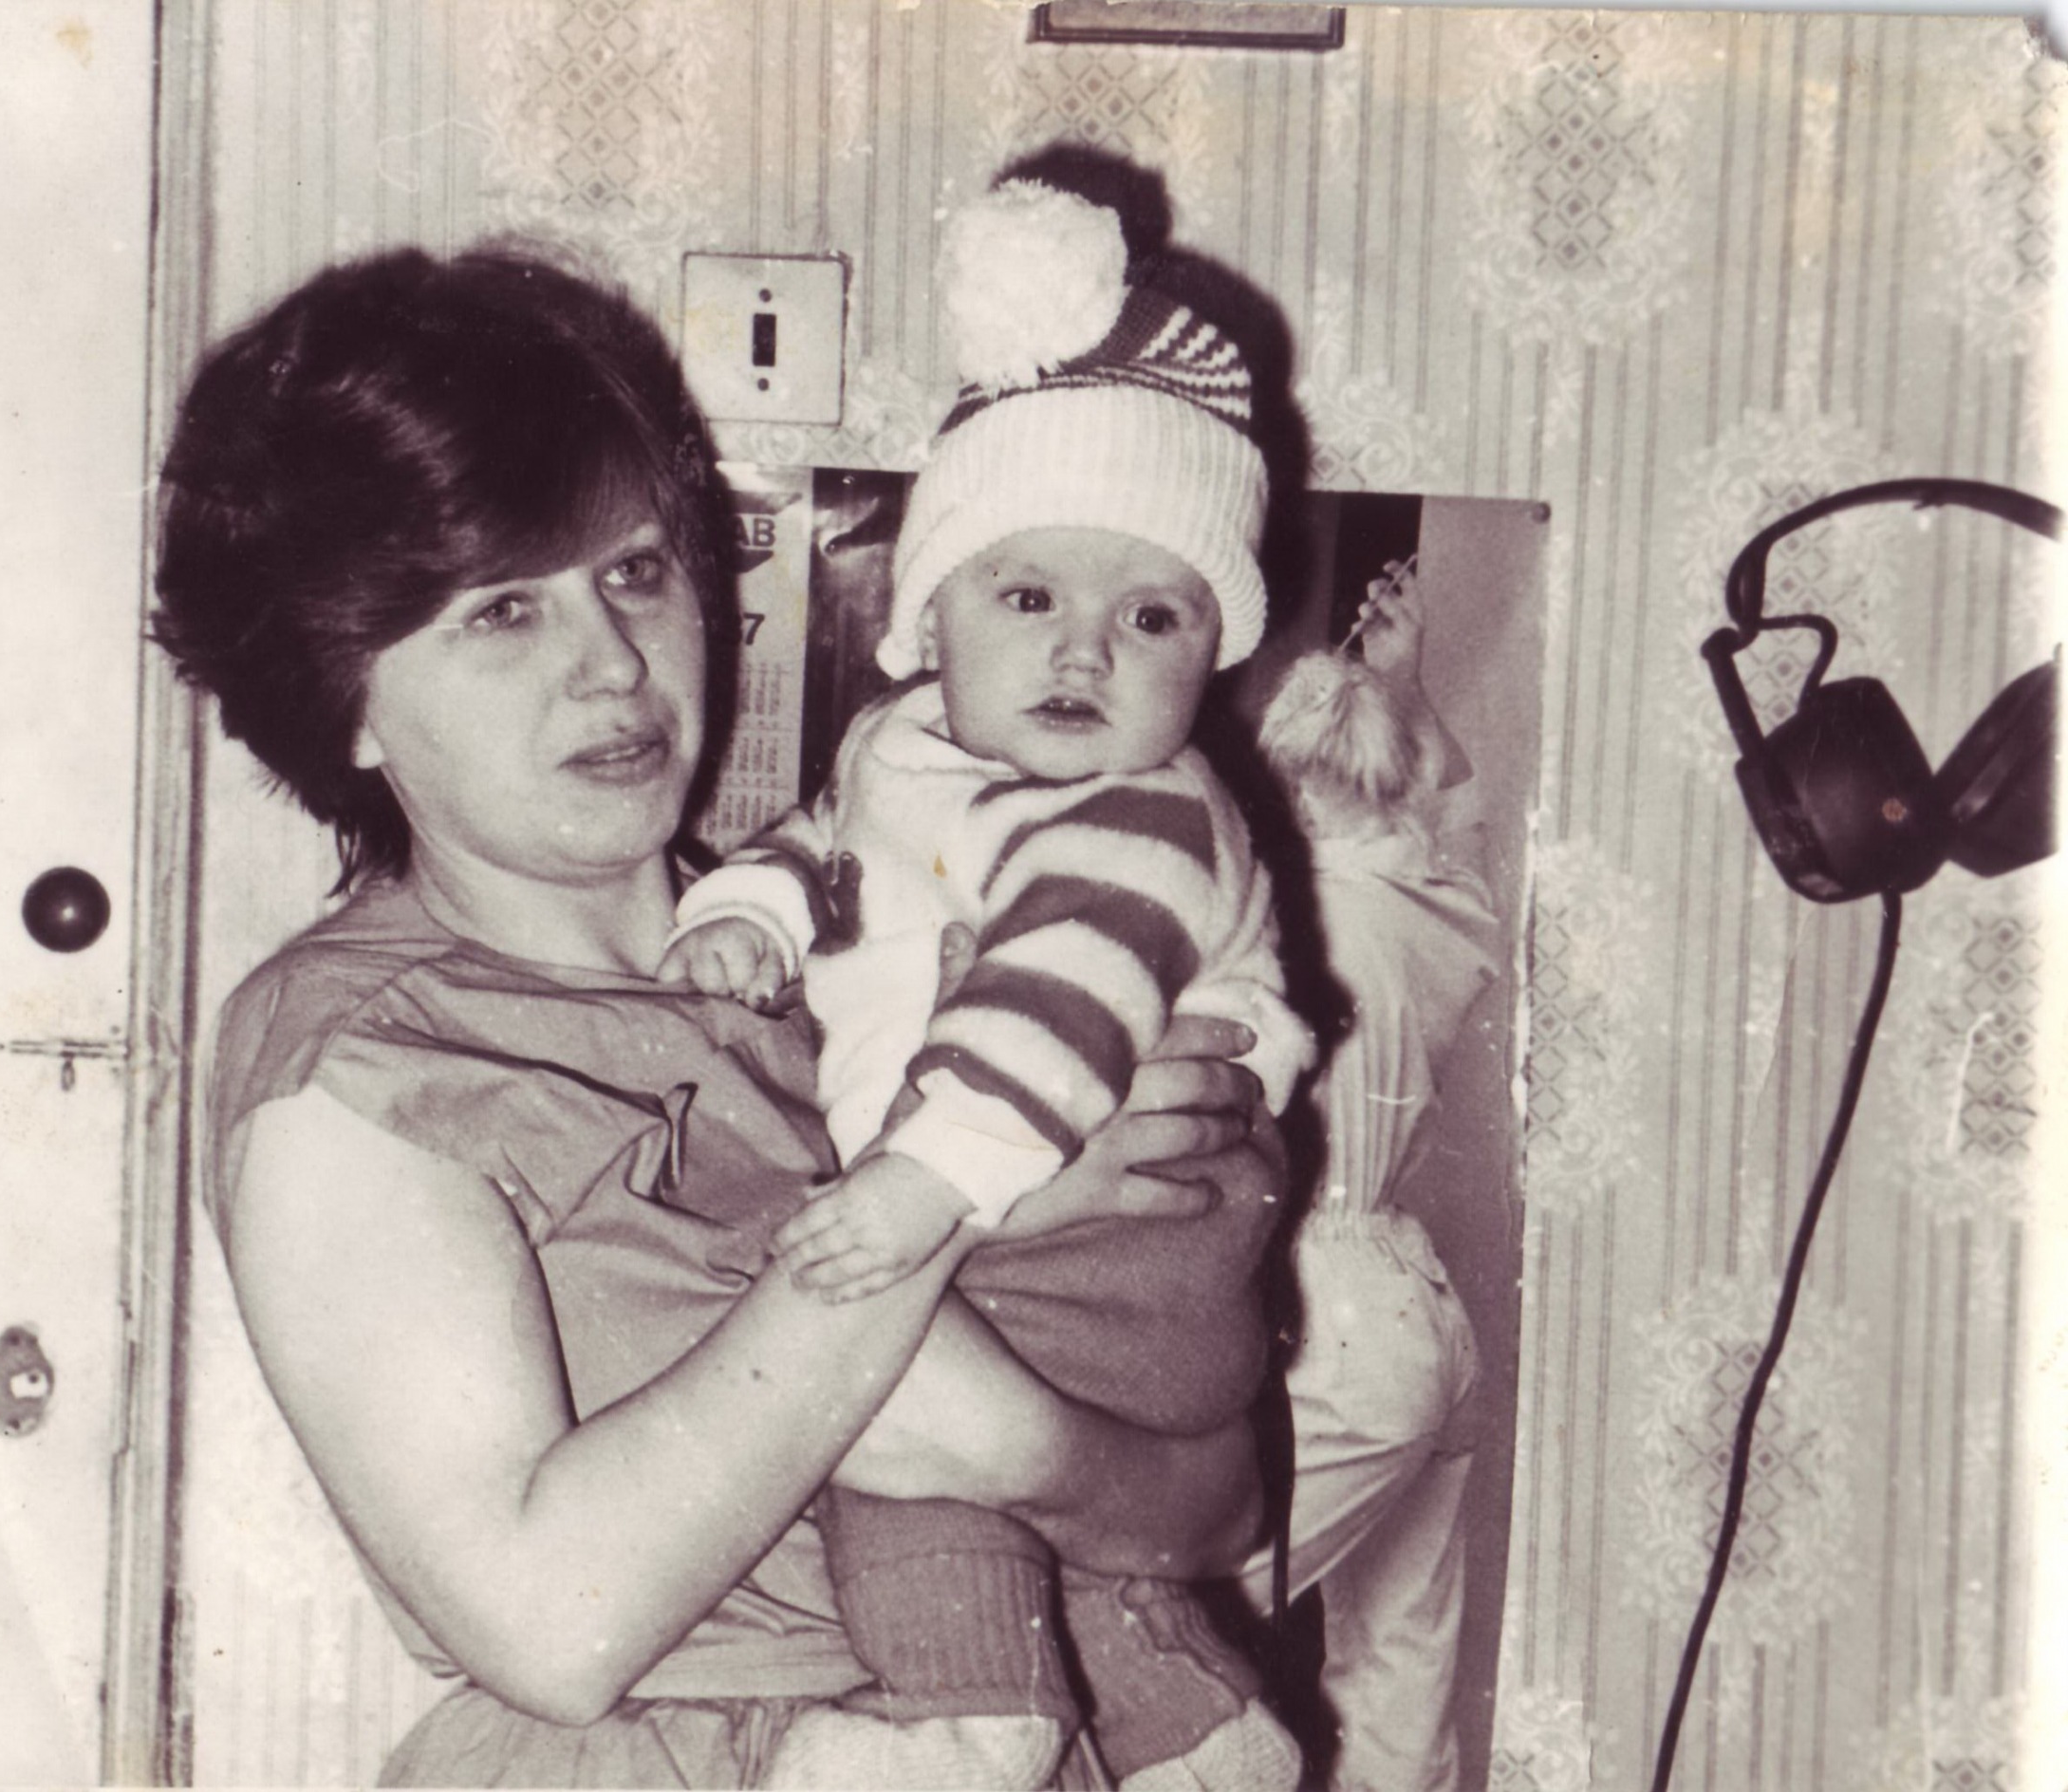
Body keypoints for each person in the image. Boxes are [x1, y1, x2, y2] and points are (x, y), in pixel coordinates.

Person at [150, 242, 1285, 1790]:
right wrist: (971, 1200)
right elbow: (550, 1624)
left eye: (634, 572)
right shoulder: (355, 1060)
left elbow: (1222, 1506)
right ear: (341, 695)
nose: (612, 663)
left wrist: (1014, 1428)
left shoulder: (866, 942)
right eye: (502, 612)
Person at [662, 181, 1311, 1791]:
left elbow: (1053, 1011)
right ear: (929, 615)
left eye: (1151, 615)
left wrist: (923, 1186)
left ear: (1214, 649)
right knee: (1014, 1479)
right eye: (1029, 598)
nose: (1086, 653)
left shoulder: (1149, 817)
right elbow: (823, 850)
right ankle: (1191, 1724)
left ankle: (968, 1718)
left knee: (895, 1440)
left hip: (1118, 1258)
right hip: (1049, 1250)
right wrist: (748, 911)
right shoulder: (904, 754)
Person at [1241, 568, 1500, 1792]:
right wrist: (1406, 689)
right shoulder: (1440, 905)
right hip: (1427, 1311)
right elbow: (1457, 808)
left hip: (1333, 1318)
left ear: (1292, 782)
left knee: (1161, 1626)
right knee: (1400, 1681)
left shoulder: (1292, 935)